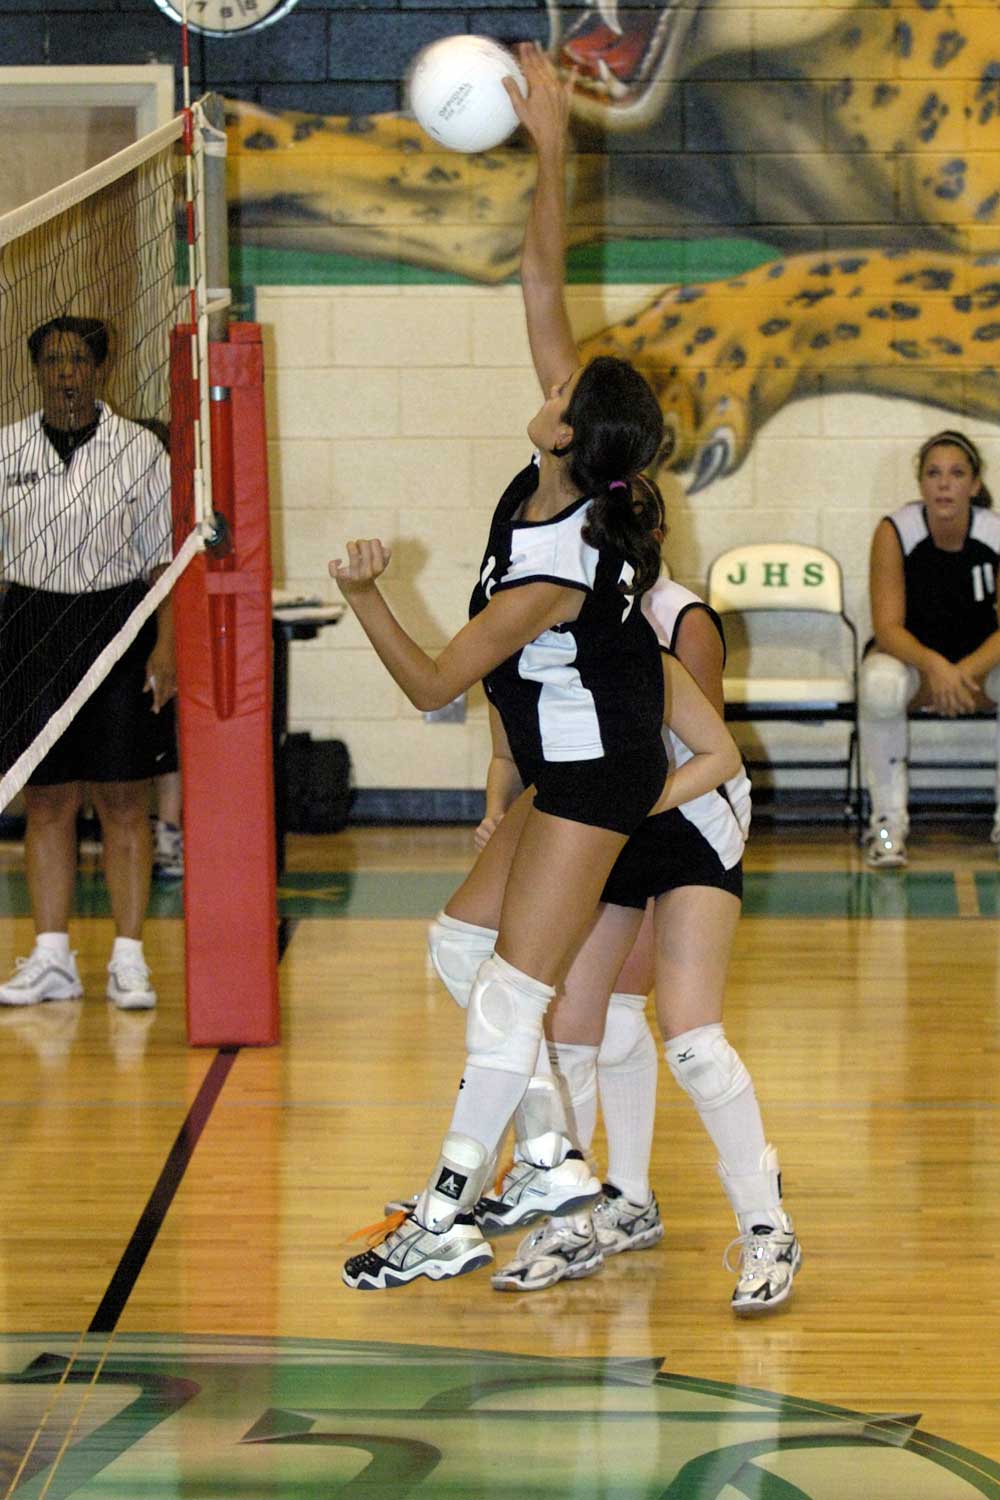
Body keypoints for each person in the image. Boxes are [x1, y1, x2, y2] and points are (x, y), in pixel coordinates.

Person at [332, 45, 743, 1291]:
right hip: (563, 763)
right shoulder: (568, 469)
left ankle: (448, 1209)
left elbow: (432, 686)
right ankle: (555, 1160)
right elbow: (538, 278)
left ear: (568, 431)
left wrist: (363, 596)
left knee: (510, 999)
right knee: (462, 954)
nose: (548, 380)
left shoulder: (554, 567)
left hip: (597, 777)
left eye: (561, 390)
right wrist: (553, 148)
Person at [471, 570, 801, 1313]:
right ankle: (578, 1217)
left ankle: (767, 1229)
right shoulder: (534, 620)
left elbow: (714, 755)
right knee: (570, 1032)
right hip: (605, 828)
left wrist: (619, 807)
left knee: (693, 1041)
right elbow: (522, 754)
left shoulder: (667, 630)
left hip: (688, 824)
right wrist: (509, 817)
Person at [0, 316, 175, 1009]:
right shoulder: (7, 448)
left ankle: (129, 959)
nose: (65, 372)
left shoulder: (140, 449)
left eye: (77, 360)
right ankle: (52, 959)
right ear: (37, 371)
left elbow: (165, 563)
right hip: (29, 626)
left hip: (119, 623)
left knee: (124, 799)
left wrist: (167, 646)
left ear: (99, 369)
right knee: (47, 799)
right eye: (52, 361)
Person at [861, 430, 1000, 868]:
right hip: (914, 663)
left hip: (979, 667)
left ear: (974, 484)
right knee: (879, 686)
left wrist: (961, 674)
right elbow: (887, 629)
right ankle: (887, 825)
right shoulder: (895, 531)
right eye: (934, 473)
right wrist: (936, 668)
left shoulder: (995, 533)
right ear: (920, 483)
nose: (944, 484)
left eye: (957, 474)